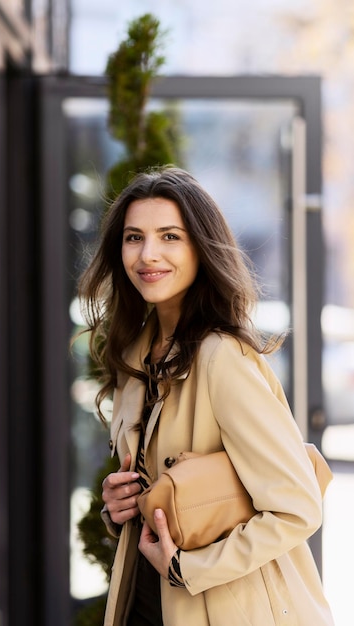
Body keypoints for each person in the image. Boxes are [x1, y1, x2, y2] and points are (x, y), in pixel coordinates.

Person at [77, 166, 334, 626]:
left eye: (169, 236)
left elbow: (298, 506)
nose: (147, 254)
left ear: (201, 247)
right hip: (145, 601)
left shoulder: (222, 357)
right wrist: (123, 507)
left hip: (227, 608)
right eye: (133, 237)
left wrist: (187, 567)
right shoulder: (136, 356)